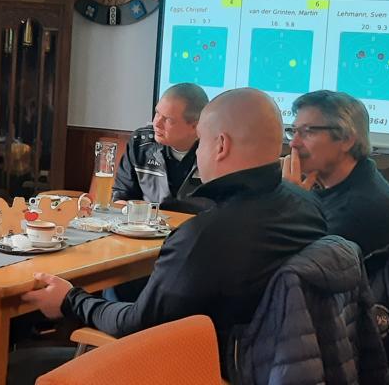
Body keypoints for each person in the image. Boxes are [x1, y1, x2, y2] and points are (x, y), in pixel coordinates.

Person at [22, 88, 327, 352]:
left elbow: (139, 325)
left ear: (221, 146)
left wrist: (70, 299)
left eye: (202, 142)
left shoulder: (206, 236)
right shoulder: (309, 207)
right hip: (273, 357)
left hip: (201, 363)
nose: (199, 153)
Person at [282, 90, 389, 256]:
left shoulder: (358, 208)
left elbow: (293, 261)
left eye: (308, 132)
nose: (293, 143)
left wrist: (289, 203)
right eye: (293, 131)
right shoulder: (353, 180)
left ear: (346, 140)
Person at [112, 83, 209, 211]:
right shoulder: (140, 144)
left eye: (168, 119)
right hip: (147, 222)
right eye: (157, 113)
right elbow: (121, 196)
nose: (156, 123)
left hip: (196, 223)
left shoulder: (215, 153)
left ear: (195, 126)